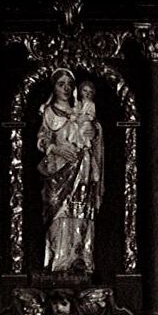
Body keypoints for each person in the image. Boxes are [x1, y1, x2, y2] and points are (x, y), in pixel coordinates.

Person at [37, 68, 104, 274]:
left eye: (69, 84)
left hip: (81, 167)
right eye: (61, 84)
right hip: (58, 170)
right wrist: (56, 148)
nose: (66, 88)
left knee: (81, 210)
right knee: (59, 212)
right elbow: (42, 139)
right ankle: (59, 258)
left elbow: (93, 133)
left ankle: (80, 257)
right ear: (54, 87)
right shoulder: (49, 112)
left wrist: (95, 132)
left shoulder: (81, 110)